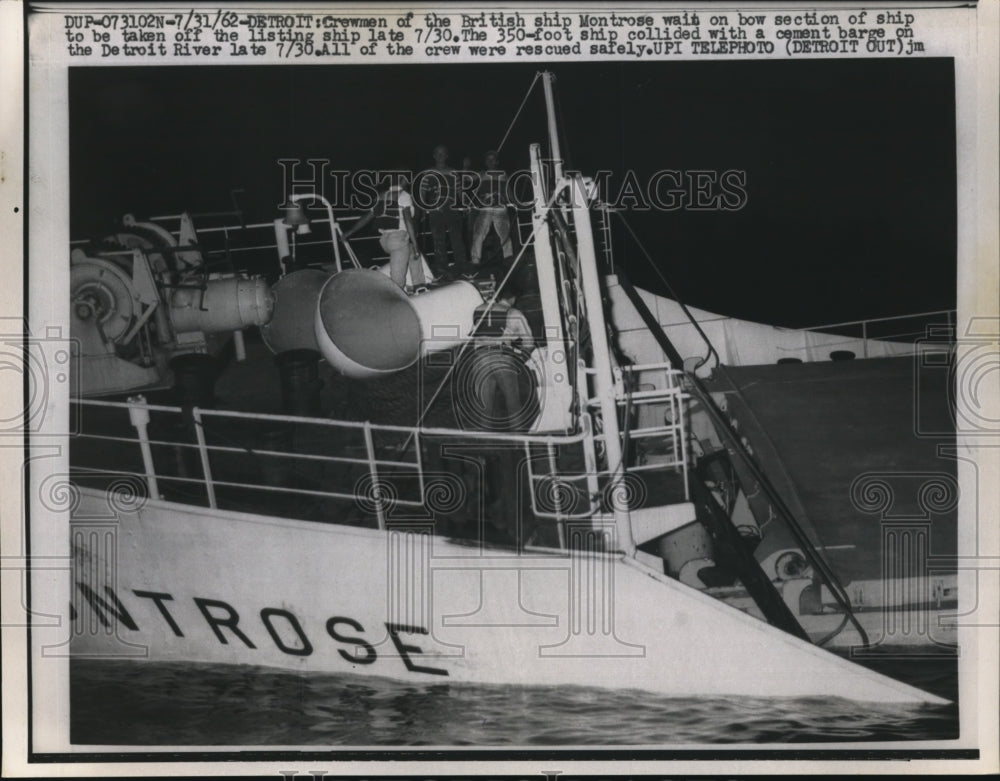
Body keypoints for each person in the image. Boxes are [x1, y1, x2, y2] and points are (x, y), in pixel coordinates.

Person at [343, 181, 425, 291]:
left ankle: (419, 285)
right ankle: (397, 296)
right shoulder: (404, 196)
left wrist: (350, 232)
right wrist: (416, 243)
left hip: (385, 241)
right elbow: (408, 221)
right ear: (404, 181)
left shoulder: (382, 195)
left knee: (413, 254)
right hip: (398, 240)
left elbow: (367, 217)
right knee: (397, 282)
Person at [419, 145, 468, 273]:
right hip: (435, 209)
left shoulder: (453, 171)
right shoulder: (428, 172)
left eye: (443, 154)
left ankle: (461, 264)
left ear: (447, 156)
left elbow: (459, 190)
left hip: (452, 208)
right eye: (438, 154)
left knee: (457, 237)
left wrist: (463, 205)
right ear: (434, 155)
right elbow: (422, 192)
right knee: (438, 239)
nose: (441, 156)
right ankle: (441, 266)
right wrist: (423, 210)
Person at [470, 150, 513, 266]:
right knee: (478, 234)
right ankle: (475, 262)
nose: (490, 162)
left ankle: (509, 260)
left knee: (505, 235)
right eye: (488, 160)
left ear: (497, 161)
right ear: (485, 162)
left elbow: (509, 193)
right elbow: (465, 180)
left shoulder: (504, 175)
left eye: (493, 159)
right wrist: (465, 167)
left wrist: (516, 203)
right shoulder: (481, 174)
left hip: (501, 209)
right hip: (485, 210)